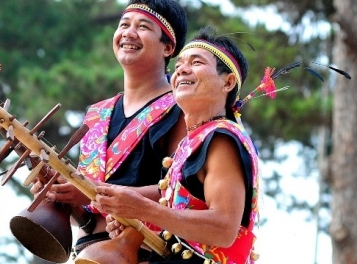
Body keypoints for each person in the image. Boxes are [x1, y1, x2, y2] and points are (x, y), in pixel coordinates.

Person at [30, 0, 188, 262]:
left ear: (168, 47)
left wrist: (96, 191)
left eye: (143, 26)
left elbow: (185, 193)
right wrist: (61, 194)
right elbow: (88, 215)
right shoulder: (97, 113)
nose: (128, 32)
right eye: (123, 24)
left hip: (148, 254)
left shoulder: (182, 108)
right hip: (87, 254)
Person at [91, 26, 260, 264]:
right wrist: (125, 205)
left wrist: (141, 209)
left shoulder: (222, 138)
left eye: (196, 62)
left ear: (228, 82)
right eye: (179, 64)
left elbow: (223, 228)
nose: (182, 70)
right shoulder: (192, 142)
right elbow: (173, 199)